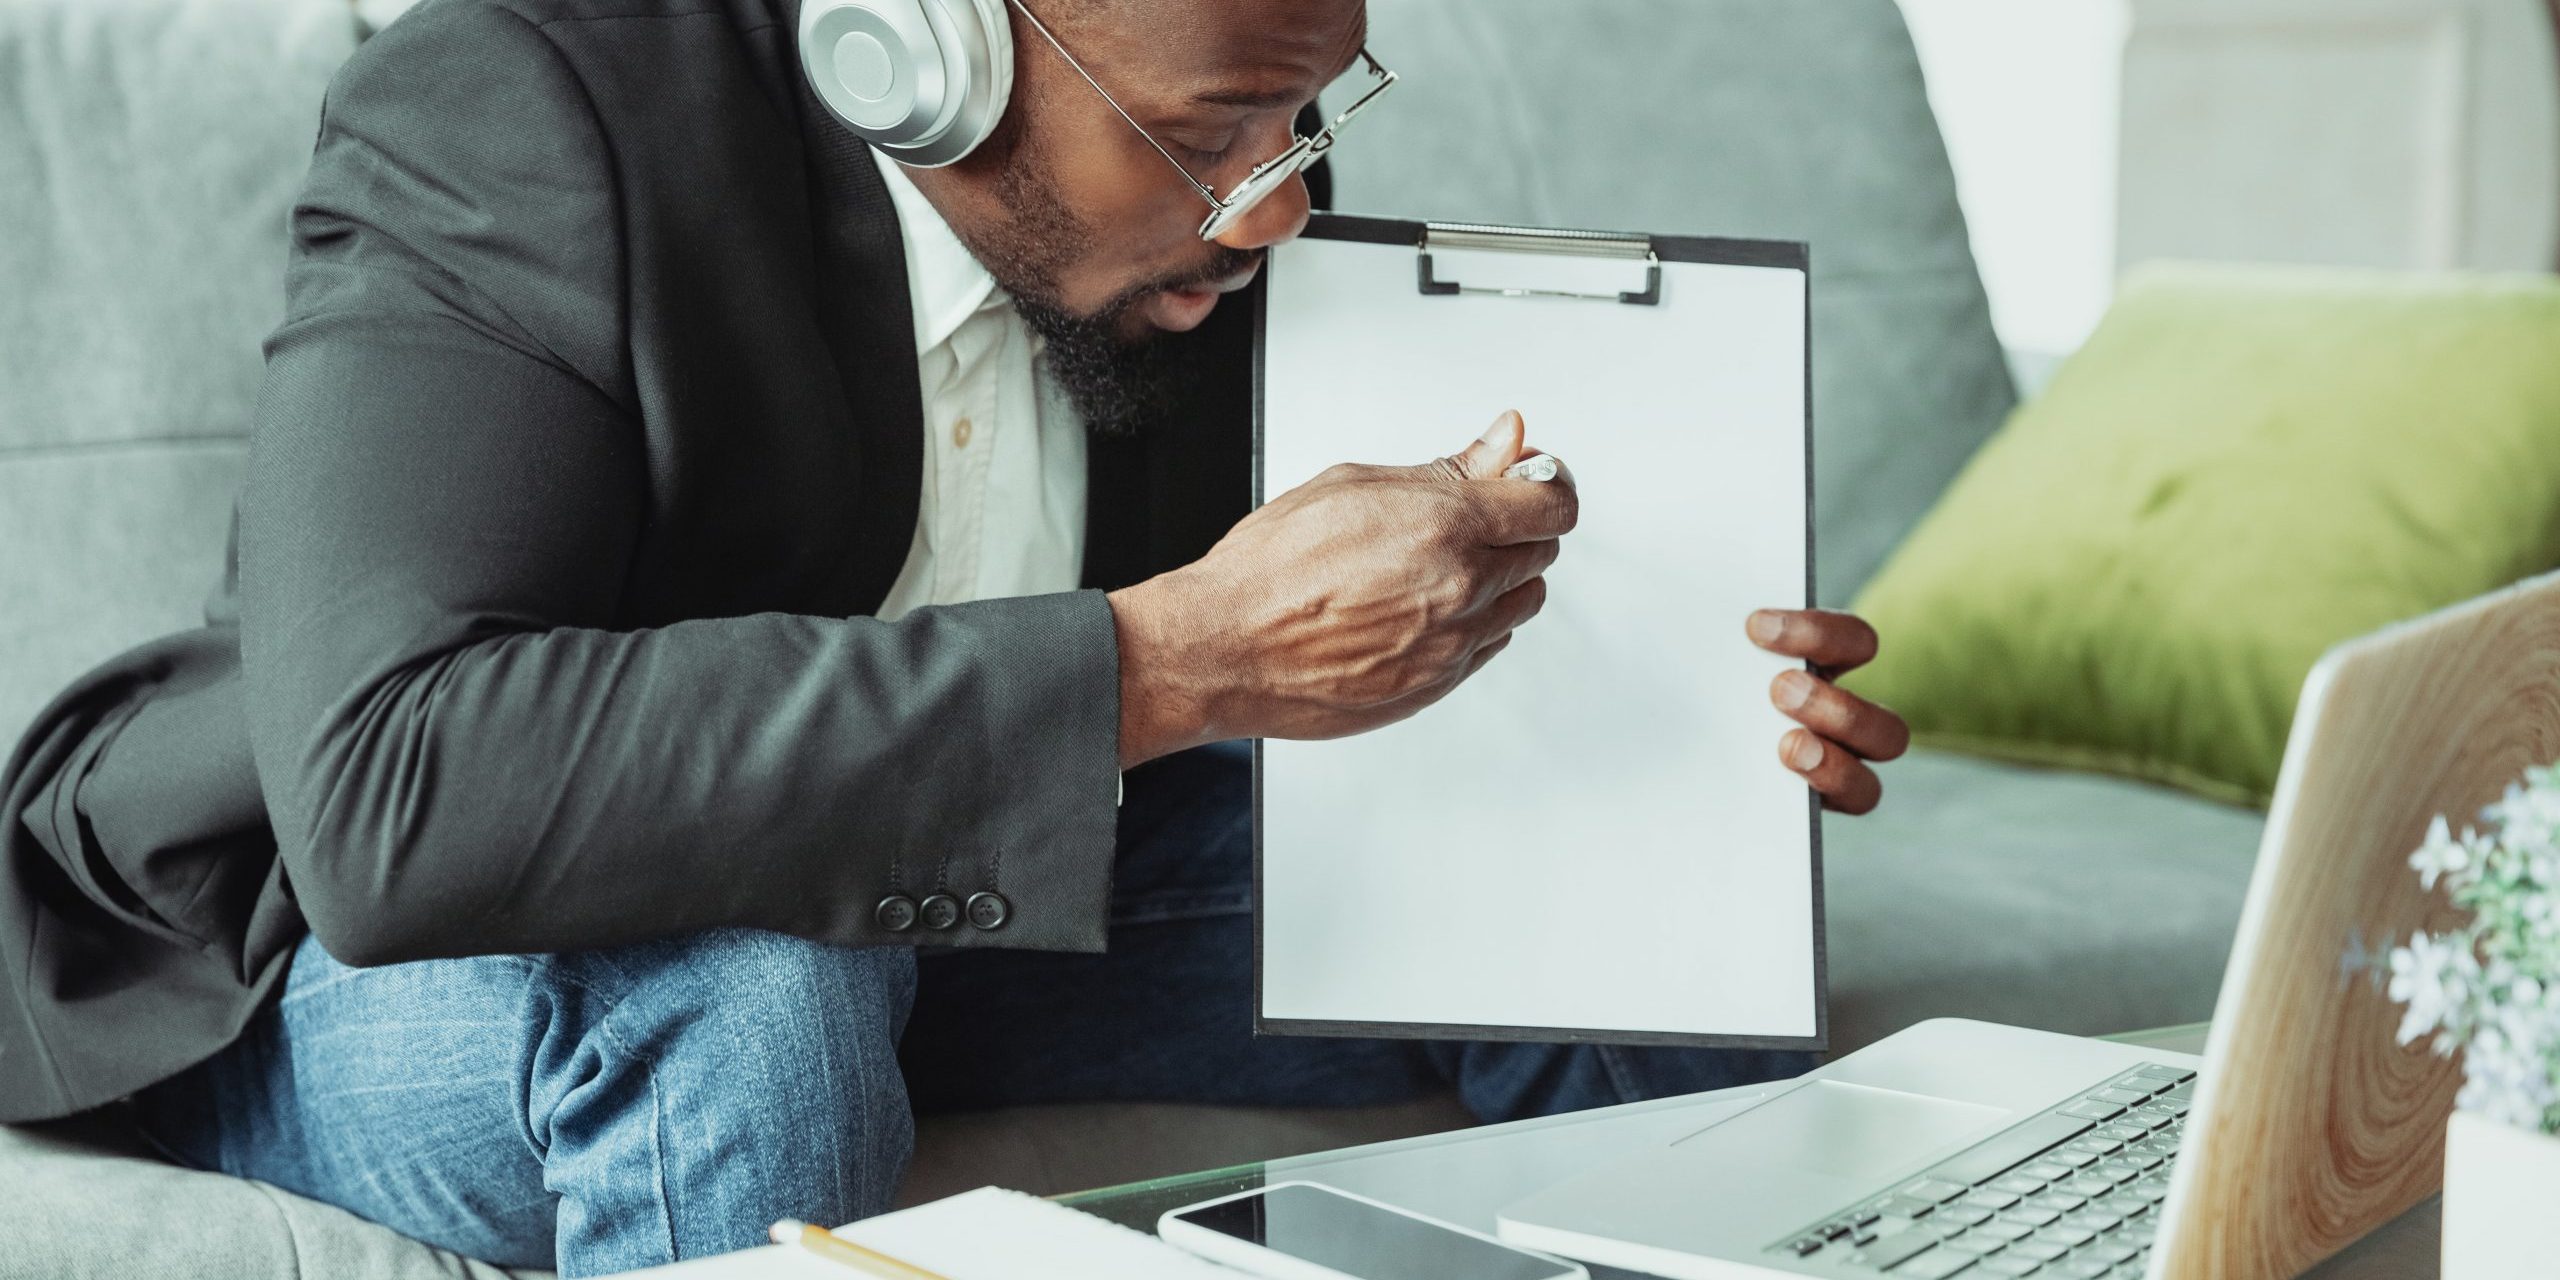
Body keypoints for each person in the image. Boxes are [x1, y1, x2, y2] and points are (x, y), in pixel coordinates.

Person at [0, 0, 1911, 1272]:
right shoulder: (522, 103)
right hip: (362, 956)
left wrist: (1653, 709)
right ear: (915, 48)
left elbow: (1302, 698)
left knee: (1563, 837)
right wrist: (1175, 659)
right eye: (1215, 132)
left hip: (930, 916)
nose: (1288, 201)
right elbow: (398, 790)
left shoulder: (1182, 237)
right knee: (765, 970)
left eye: (1312, 111)